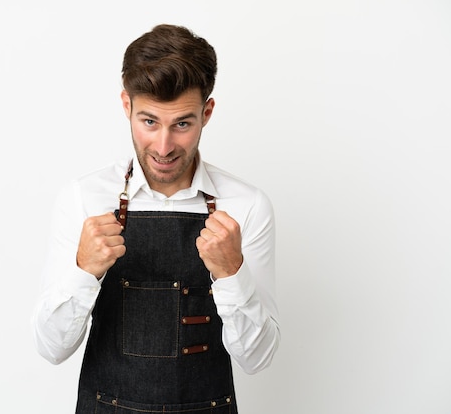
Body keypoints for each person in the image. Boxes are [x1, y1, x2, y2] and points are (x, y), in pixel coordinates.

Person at [31, 24, 280, 413]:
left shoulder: (246, 205)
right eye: (149, 122)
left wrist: (233, 274)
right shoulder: (84, 198)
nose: (164, 147)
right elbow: (51, 347)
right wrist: (84, 270)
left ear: (207, 112)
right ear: (126, 106)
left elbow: (258, 358)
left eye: (182, 123)